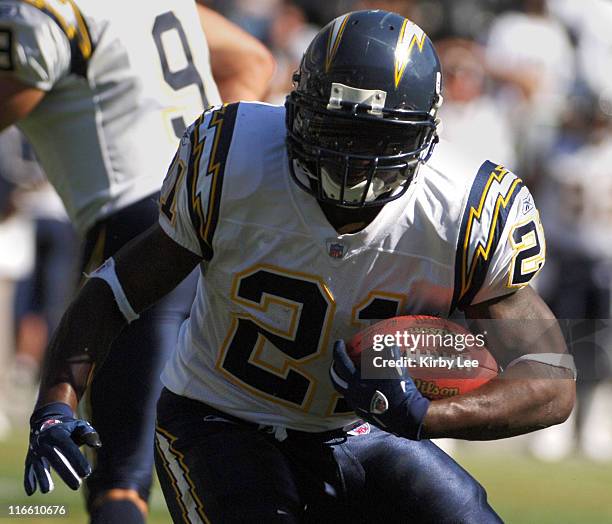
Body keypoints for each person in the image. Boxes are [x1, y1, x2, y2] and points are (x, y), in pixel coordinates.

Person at [23, 10, 575, 523]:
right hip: (216, 417)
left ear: (425, 135)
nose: (352, 160)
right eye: (336, 130)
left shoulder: (465, 209)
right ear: (296, 109)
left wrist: (428, 418)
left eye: (376, 139)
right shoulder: (232, 158)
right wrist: (55, 401)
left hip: (357, 429)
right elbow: (115, 290)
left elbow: (550, 379)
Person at [0, 1, 274, 522]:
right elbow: (252, 61)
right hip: (221, 221)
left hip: (137, 234)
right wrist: (206, 169)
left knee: (119, 476)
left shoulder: (41, 14)